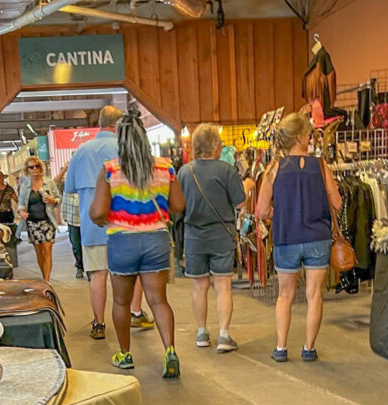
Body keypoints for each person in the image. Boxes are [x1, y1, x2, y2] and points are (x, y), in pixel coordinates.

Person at [90, 110, 185, 377]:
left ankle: (125, 354)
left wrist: (106, 218)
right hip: (155, 240)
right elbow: (178, 205)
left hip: (122, 242)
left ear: (120, 140)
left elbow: (97, 212)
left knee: (121, 302)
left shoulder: (110, 170)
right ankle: (170, 351)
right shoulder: (165, 167)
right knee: (158, 301)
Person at [255, 113, 342, 363]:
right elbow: (336, 201)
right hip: (318, 238)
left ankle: (281, 348)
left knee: (285, 295)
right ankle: (308, 348)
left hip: (286, 237)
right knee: (314, 294)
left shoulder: (273, 168)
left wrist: (280, 212)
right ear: (302, 137)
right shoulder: (321, 166)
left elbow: (261, 211)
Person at [64, 105, 154, 339]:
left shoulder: (81, 151)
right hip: (125, 225)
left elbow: (70, 187)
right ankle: (135, 313)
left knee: (97, 275)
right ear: (117, 125)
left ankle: (99, 323)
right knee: (132, 273)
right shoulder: (125, 149)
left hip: (92, 225)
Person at [177, 123, 246, 353]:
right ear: (215, 145)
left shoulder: (185, 172)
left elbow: (178, 206)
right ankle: (224, 334)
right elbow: (240, 202)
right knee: (223, 285)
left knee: (199, 286)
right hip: (221, 235)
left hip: (194, 237)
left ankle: (201, 332)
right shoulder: (227, 170)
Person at [17, 158, 60, 282]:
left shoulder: (49, 183)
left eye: (37, 166)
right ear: (27, 170)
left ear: (41, 168)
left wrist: (53, 201)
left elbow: (58, 198)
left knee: (47, 249)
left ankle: (47, 280)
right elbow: (21, 203)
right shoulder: (25, 186)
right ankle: (43, 275)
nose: (35, 169)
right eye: (31, 167)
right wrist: (21, 212)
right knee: (39, 251)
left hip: (47, 221)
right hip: (32, 223)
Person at [54, 164, 85, 279]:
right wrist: (66, 168)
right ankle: (79, 266)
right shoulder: (66, 181)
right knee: (76, 245)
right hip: (72, 219)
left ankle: (89, 269)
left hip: (86, 218)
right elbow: (55, 182)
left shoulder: (86, 178)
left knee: (87, 244)